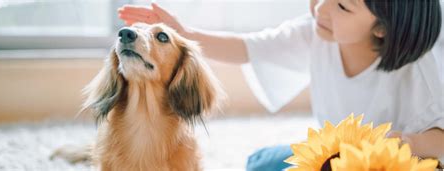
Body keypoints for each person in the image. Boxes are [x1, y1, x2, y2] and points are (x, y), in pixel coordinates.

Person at [117, 1, 443, 170]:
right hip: (335, 157)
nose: (322, 9)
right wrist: (185, 33)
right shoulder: (318, 32)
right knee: (260, 163)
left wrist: (407, 142)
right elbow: (250, 47)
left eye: (343, 6)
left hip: (395, 165)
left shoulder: (425, 71)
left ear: (382, 28)